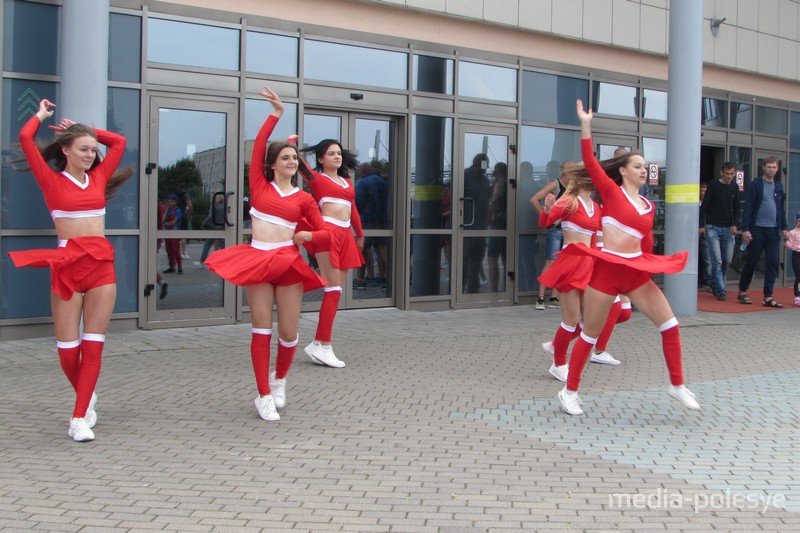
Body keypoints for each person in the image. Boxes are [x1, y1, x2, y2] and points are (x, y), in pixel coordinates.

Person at [556, 100, 700, 416]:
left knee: (671, 324)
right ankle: (569, 391)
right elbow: (590, 161)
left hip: (634, 273)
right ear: (622, 170)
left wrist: (651, 263)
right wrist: (585, 124)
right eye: (637, 165)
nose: (643, 169)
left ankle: (677, 385)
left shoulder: (648, 207)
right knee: (589, 335)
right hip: (606, 272)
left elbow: (645, 244)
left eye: (645, 165)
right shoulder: (610, 191)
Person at [8, 98, 131, 442]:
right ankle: (86, 396)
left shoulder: (99, 176)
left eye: (93, 149)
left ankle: (78, 417)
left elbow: (118, 143)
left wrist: (89, 129)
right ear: (65, 150)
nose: (91, 154)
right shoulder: (51, 181)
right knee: (67, 351)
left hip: (101, 268)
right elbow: (27, 138)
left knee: (93, 346)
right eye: (84, 148)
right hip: (67, 267)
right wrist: (40, 115)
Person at [204, 86, 329, 422]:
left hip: (288, 262)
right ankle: (262, 395)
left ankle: (280, 380)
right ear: (273, 164)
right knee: (261, 329)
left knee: (288, 333)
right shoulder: (259, 185)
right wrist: (275, 114)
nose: (291, 161)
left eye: (294, 158)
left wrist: (307, 233)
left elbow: (326, 234)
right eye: (285, 157)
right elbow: (259, 144)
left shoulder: (304, 199)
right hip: (258, 259)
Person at [297, 135, 365, 368]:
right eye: (331, 154)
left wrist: (360, 234)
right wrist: (292, 145)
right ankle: (323, 345)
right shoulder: (317, 179)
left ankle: (320, 343)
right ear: (320, 158)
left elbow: (352, 209)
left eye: (338, 153)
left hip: (345, 235)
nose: (336, 157)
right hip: (328, 233)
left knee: (336, 291)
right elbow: (302, 167)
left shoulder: (347, 181)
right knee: (333, 289)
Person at [536, 173, 601, 382]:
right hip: (571, 264)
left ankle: (556, 346)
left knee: (586, 322)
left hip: (589, 264)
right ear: (582, 179)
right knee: (571, 320)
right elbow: (546, 222)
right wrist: (547, 208)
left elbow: (594, 239)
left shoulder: (595, 206)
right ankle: (559, 363)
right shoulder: (569, 201)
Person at [737, 157, 790, 307]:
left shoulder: (779, 186)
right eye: (769, 167)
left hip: (773, 231)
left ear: (777, 169)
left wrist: (784, 228)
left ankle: (768, 296)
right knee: (752, 261)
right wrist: (746, 229)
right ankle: (742, 291)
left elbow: (781, 210)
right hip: (757, 229)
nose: (772, 170)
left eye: (774, 167)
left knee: (772, 263)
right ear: (763, 168)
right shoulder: (756, 185)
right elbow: (748, 207)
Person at [530, 160, 572, 309]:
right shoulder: (556, 184)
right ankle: (540, 298)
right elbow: (534, 199)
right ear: (562, 170)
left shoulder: (574, 188)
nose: (572, 172)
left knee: (561, 264)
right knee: (550, 262)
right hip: (556, 229)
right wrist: (546, 217)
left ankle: (554, 296)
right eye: (569, 169)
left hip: (568, 230)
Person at [699, 162, 741, 301]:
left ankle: (716, 283)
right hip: (712, 227)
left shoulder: (735, 187)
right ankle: (721, 290)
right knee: (716, 260)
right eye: (727, 173)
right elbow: (704, 206)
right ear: (722, 172)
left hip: (728, 228)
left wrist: (735, 224)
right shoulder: (714, 185)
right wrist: (702, 225)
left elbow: (737, 208)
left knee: (727, 260)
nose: (729, 176)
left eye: (732, 174)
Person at [354, 162, 388, 288]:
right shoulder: (384, 182)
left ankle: (360, 279)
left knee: (362, 249)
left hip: (367, 220)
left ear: (363, 171)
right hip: (383, 220)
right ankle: (384, 277)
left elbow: (359, 203)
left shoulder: (363, 183)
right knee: (382, 249)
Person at [462, 153, 491, 294]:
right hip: (466, 225)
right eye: (482, 165)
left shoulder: (485, 180)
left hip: (480, 224)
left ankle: (473, 288)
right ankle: (459, 288)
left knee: (477, 259)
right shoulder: (464, 176)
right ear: (475, 163)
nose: (484, 169)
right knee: (464, 258)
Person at [487, 162, 508, 292]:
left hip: (498, 225)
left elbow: (493, 200)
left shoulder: (500, 184)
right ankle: (507, 288)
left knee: (492, 258)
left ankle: (494, 289)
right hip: (506, 224)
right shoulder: (510, 184)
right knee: (506, 259)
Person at [197, 193, 225, 267]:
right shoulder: (225, 205)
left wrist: (204, 223)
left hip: (213, 228)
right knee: (223, 247)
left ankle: (201, 262)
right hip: (222, 228)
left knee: (207, 245)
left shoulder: (214, 206)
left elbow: (210, 217)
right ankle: (225, 262)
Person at [697, 182, 713, 293]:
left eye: (704, 191)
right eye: (701, 191)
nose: (703, 193)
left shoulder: (710, 204)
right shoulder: (694, 203)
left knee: (707, 259)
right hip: (692, 233)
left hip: (705, 234)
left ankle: (708, 281)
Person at [162, 194, 183, 274]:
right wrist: (166, 210)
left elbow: (175, 221)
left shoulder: (178, 211)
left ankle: (180, 267)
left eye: (171, 202)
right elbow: (163, 220)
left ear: (176, 202)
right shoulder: (169, 211)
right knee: (169, 250)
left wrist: (167, 224)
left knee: (176, 250)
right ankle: (172, 266)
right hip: (168, 233)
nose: (169, 203)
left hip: (175, 233)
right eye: (168, 202)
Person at [786, 211, 800, 307]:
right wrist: (785, 240)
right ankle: (797, 297)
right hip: (796, 255)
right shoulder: (792, 232)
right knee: (799, 277)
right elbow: (790, 245)